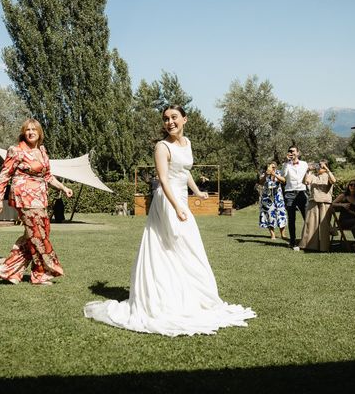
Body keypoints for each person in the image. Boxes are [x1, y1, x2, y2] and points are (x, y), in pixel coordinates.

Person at [84, 105, 256, 336]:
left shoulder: (187, 144)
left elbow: (185, 172)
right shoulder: (161, 146)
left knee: (188, 248)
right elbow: (164, 180)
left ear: (184, 119)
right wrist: (177, 207)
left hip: (182, 199)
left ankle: (190, 295)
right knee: (170, 246)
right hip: (167, 201)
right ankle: (165, 298)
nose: (170, 122)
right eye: (166, 119)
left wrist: (196, 192)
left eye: (174, 117)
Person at [0, 119, 73, 285]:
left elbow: (47, 176)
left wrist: (63, 188)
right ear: (23, 133)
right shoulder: (16, 151)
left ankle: (9, 270)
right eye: (27, 130)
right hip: (24, 197)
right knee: (37, 235)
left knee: (36, 234)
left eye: (33, 129)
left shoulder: (42, 151)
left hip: (41, 198)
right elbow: (4, 175)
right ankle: (40, 273)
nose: (30, 132)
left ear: (39, 132)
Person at [297, 160, 336, 252]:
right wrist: (307, 171)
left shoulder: (328, 175)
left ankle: (324, 247)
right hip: (313, 202)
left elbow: (334, 181)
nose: (319, 167)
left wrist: (326, 169)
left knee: (324, 226)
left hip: (325, 203)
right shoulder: (313, 176)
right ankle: (308, 245)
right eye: (319, 165)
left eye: (321, 165)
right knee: (310, 224)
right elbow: (305, 182)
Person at [280, 144, 308, 248]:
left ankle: (307, 240)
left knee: (307, 217)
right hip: (290, 193)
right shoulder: (286, 164)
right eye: (290, 151)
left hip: (302, 192)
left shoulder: (304, 164)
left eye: (293, 151)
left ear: (298, 153)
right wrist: (286, 162)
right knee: (291, 219)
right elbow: (282, 175)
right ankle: (292, 241)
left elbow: (308, 174)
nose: (292, 153)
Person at [258, 161, 287, 240]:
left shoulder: (279, 173)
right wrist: (266, 175)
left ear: (276, 167)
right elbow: (260, 182)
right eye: (271, 167)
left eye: (274, 167)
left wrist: (274, 174)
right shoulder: (264, 174)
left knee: (281, 215)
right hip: (267, 198)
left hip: (278, 198)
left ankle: (283, 234)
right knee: (269, 215)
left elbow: (283, 181)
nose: (272, 168)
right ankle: (272, 235)